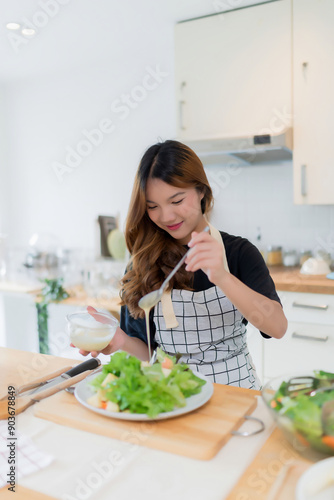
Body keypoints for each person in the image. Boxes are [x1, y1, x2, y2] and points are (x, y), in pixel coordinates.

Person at [78, 140, 287, 390]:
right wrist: (119, 340)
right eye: (153, 207)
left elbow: (277, 327)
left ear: (201, 191)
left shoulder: (238, 253)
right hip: (173, 400)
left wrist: (222, 276)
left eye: (176, 201)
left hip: (237, 396)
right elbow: (149, 356)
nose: (166, 216)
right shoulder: (143, 262)